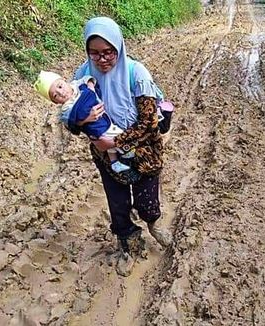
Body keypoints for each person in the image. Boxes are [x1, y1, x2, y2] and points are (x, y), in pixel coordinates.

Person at [73, 16, 172, 276]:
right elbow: (70, 122)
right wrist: (81, 120)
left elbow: (149, 122)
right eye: (94, 54)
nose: (102, 59)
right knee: (117, 204)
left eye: (108, 52)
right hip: (106, 156)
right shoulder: (82, 77)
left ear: (119, 47)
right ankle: (128, 244)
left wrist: (116, 141)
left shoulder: (136, 73)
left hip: (143, 152)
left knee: (146, 199)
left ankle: (154, 225)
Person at [34, 71, 133, 173]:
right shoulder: (67, 108)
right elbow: (72, 120)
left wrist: (90, 86)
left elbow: (87, 79)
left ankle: (114, 162)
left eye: (60, 86)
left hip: (103, 117)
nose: (61, 93)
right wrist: (85, 114)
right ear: (55, 102)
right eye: (55, 95)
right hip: (96, 127)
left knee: (110, 143)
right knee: (118, 135)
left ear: (64, 79)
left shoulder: (76, 84)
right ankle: (127, 152)